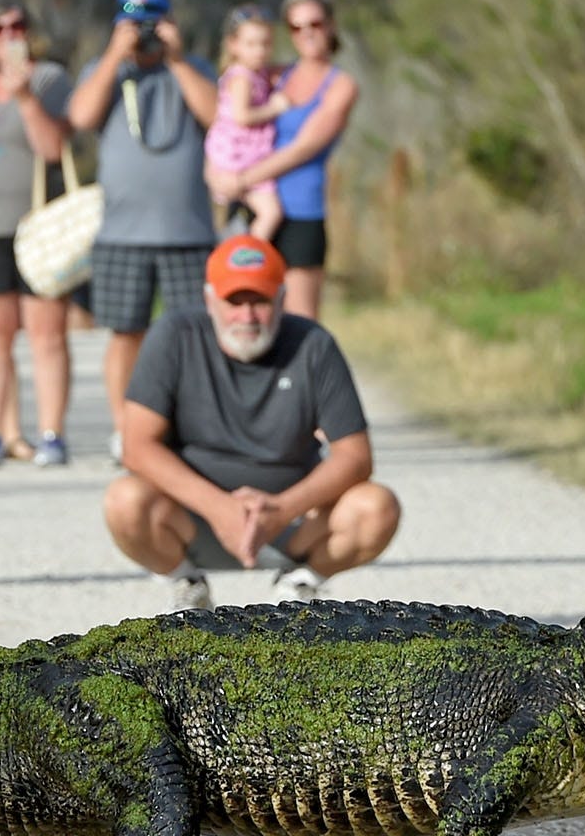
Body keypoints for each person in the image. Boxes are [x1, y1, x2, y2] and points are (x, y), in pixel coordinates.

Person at [103, 234, 401, 611]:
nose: (246, 316)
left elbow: (356, 456)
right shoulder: (174, 335)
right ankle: (186, 581)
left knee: (377, 507)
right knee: (124, 501)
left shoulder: (314, 344)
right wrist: (218, 508)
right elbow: (137, 445)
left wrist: (281, 509)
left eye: (259, 301)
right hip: (192, 521)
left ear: (281, 299)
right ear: (210, 299)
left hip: (292, 526)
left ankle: (301, 582)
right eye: (234, 301)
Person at [64, 0, 220, 460]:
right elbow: (81, 116)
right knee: (125, 334)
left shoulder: (193, 70)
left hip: (187, 232)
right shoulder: (105, 73)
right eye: (136, 23)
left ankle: (190, 429)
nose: (146, 33)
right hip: (122, 233)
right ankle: (124, 429)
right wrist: (116, 55)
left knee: (196, 336)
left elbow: (218, 117)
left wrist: (174, 59)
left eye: (153, 21)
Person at [0, 0, 76, 468]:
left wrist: (26, 98)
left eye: (16, 26)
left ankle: (52, 434)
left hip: (40, 227)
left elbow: (52, 148)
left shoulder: (49, 80)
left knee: (46, 334)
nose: (8, 36)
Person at [217, 0, 360, 319]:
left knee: (299, 320)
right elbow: (228, 120)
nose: (307, 34)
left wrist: (241, 178)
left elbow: (304, 148)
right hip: (252, 203)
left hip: (299, 210)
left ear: (330, 25)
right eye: (297, 27)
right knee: (245, 316)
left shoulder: (341, 86)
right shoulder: (274, 75)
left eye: (315, 24)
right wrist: (216, 170)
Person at [204, 3, 287, 240]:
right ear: (234, 45)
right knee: (270, 212)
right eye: (251, 44)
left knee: (243, 217)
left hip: (246, 155)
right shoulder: (241, 76)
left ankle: (237, 250)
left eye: (266, 44)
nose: (260, 51)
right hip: (237, 157)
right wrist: (275, 108)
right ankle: (247, 256)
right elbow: (242, 116)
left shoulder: (258, 73)